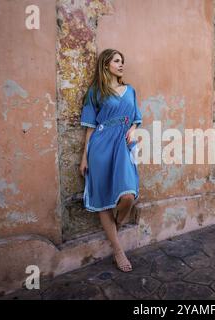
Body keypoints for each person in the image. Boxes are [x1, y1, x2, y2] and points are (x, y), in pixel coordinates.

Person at [79, 48, 142, 272]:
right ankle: (118, 250)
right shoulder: (96, 92)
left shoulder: (131, 90)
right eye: (117, 61)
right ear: (106, 64)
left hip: (122, 146)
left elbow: (136, 119)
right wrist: (84, 157)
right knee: (103, 199)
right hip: (100, 146)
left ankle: (118, 224)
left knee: (127, 196)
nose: (121, 64)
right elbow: (89, 128)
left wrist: (133, 130)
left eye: (122, 61)